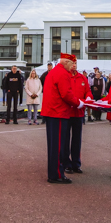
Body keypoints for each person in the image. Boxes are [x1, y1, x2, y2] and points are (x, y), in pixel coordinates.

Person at [40, 53, 80, 183]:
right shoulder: (62, 74)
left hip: (52, 112)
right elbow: (66, 94)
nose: (72, 67)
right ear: (66, 63)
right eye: (71, 64)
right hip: (58, 112)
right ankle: (56, 174)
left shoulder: (53, 72)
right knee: (58, 146)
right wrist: (78, 103)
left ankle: (54, 172)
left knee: (53, 145)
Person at [65, 62, 92, 173]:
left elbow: (88, 90)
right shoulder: (66, 77)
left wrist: (89, 97)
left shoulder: (82, 78)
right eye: (72, 64)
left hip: (79, 113)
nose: (74, 66)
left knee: (77, 140)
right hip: (67, 112)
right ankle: (66, 163)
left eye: (75, 63)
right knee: (65, 140)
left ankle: (76, 163)